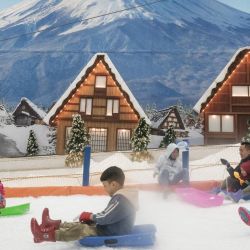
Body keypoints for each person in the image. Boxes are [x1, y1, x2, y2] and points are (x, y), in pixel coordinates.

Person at [30, 166, 138, 243]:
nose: (104, 189)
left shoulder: (121, 199)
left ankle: (45, 235)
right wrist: (92, 218)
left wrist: (90, 216)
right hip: (109, 228)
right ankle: (52, 225)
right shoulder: (122, 197)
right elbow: (108, 215)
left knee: (81, 229)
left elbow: (105, 217)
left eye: (105, 185)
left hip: (111, 233)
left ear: (113, 184)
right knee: (81, 224)